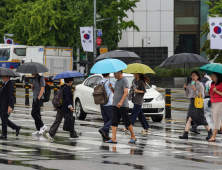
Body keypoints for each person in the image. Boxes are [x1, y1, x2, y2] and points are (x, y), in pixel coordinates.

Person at [179, 70, 212, 140]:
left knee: (201, 118)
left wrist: (195, 89)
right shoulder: (190, 84)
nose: (192, 77)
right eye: (192, 75)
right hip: (191, 103)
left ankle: (210, 131)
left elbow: (202, 96)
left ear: (197, 76)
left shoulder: (200, 85)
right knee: (189, 119)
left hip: (198, 103)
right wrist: (185, 89)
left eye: (194, 75)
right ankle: (185, 133)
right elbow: (187, 95)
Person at [107, 70, 136, 144]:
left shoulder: (124, 80)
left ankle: (133, 136)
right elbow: (115, 93)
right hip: (115, 104)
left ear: (120, 72)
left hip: (122, 105)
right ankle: (114, 138)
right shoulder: (116, 81)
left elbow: (126, 92)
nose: (114, 75)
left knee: (126, 121)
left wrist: (121, 102)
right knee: (114, 121)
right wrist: (111, 88)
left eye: (115, 73)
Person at [98, 73, 114, 141]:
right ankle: (103, 129)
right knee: (113, 118)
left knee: (106, 120)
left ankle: (105, 136)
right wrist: (111, 86)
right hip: (108, 103)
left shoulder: (99, 82)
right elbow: (115, 90)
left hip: (101, 103)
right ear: (108, 75)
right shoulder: (109, 82)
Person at [208, 72, 222, 142]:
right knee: (215, 120)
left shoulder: (221, 83)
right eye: (212, 76)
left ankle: (213, 136)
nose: (212, 78)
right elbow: (210, 93)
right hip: (212, 103)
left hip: (219, 102)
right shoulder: (212, 84)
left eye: (214, 76)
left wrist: (216, 91)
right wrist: (207, 91)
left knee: (216, 119)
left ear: (218, 77)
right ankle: (214, 135)